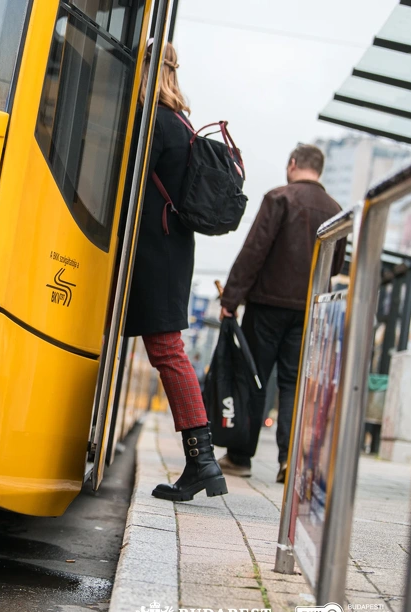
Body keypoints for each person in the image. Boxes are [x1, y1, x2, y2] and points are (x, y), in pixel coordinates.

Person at [125, 42, 227, 502]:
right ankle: (198, 463)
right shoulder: (180, 120)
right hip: (168, 248)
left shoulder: (156, 121)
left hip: (156, 250)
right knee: (168, 350)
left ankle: (202, 461)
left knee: (168, 351)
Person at [219, 144, 345, 483]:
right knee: (293, 383)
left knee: (254, 377)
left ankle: (240, 457)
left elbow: (254, 251)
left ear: (292, 165)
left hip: (266, 307)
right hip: (307, 312)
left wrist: (231, 298)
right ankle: (289, 459)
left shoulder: (279, 198)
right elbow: (334, 265)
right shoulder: (335, 210)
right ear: (318, 169)